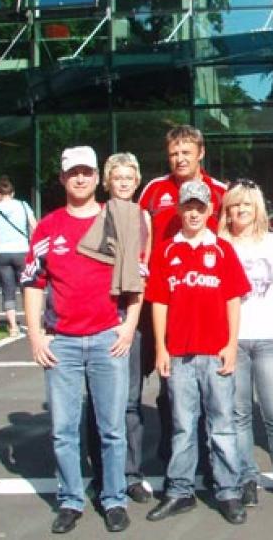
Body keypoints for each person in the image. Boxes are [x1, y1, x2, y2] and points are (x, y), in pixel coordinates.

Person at [21, 146, 140, 534]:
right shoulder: (48, 227)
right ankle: (71, 500)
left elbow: (137, 280)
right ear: (62, 178)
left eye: (87, 172)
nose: (81, 178)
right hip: (64, 343)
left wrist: (128, 327)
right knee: (63, 430)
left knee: (112, 428)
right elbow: (34, 282)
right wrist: (36, 335)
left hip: (108, 338)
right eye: (73, 173)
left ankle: (114, 499)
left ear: (96, 178)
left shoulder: (116, 220)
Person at [144, 181, 250, 526]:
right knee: (182, 427)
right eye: (187, 206)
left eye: (200, 207)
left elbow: (233, 300)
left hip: (215, 352)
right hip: (179, 354)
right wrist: (161, 347)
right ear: (179, 209)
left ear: (209, 211)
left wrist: (231, 344)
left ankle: (229, 491)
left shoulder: (221, 249)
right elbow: (159, 302)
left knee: (222, 425)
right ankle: (180, 490)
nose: (193, 212)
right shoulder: (166, 251)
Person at [138, 124, 227, 461]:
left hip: (207, 299)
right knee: (169, 375)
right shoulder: (153, 191)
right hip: (165, 297)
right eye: (174, 153)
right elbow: (138, 236)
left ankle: (208, 451)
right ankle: (171, 444)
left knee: (210, 376)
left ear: (200, 153)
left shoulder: (219, 191)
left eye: (186, 152)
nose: (179, 158)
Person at [220, 178, 273, 507]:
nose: (241, 210)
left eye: (247, 204)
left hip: (269, 337)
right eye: (235, 204)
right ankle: (247, 478)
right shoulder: (219, 243)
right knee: (239, 414)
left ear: (258, 209)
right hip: (233, 341)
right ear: (226, 210)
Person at [84, 153, 154, 505]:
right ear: (107, 181)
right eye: (118, 177)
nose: (124, 182)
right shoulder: (96, 216)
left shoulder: (143, 217)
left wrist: (130, 323)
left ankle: (131, 475)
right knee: (98, 404)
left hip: (132, 320)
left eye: (129, 177)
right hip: (98, 319)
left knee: (129, 402)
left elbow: (145, 267)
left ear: (136, 180)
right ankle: (100, 476)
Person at [0, 177, 36, 338]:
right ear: (12, 193)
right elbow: (34, 226)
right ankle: (31, 324)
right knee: (27, 288)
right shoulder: (23, 205)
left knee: (8, 289)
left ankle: (13, 326)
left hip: (2, 253)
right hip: (22, 250)